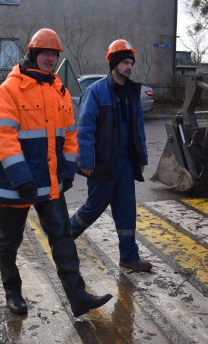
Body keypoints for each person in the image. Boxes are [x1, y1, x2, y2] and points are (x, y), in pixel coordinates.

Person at [0, 28, 113, 316]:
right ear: (32, 54)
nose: (49, 58)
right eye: (44, 53)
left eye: (54, 54)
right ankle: (13, 292)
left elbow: (71, 135)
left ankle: (78, 297)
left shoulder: (60, 91)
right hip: (14, 183)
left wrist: (69, 170)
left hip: (50, 181)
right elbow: (4, 136)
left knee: (63, 237)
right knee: (8, 242)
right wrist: (21, 177)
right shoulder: (9, 89)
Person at [70, 39, 152, 272]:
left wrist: (141, 158)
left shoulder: (132, 93)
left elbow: (138, 128)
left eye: (131, 63)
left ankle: (129, 256)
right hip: (102, 164)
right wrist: (85, 160)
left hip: (126, 163)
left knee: (127, 210)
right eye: (125, 62)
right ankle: (63, 239)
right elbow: (85, 128)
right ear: (114, 64)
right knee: (93, 208)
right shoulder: (95, 92)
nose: (129, 67)